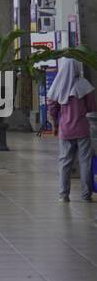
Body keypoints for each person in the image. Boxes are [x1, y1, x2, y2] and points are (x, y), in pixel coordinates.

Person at [47, 59, 95, 203]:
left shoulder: (59, 84)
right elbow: (92, 107)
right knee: (85, 162)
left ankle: (63, 195)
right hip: (83, 130)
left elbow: (52, 106)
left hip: (65, 130)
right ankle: (86, 195)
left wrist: (55, 125)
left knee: (64, 162)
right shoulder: (84, 84)